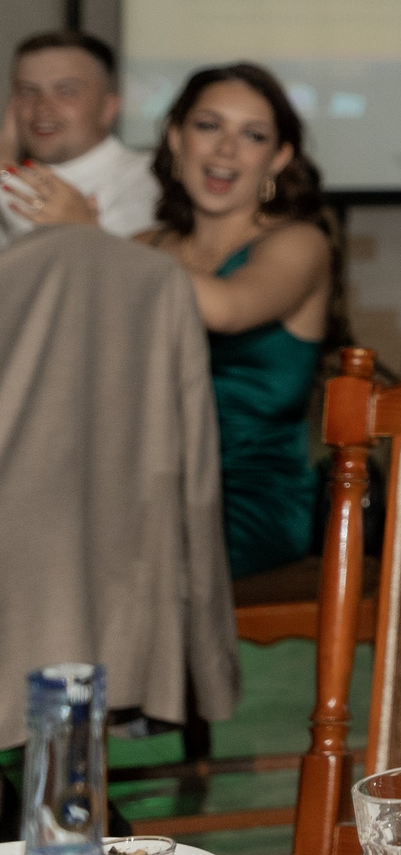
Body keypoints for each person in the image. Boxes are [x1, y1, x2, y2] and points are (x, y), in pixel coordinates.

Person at [138, 63, 345, 581]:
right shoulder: (145, 248)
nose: (226, 150)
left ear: (278, 159)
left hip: (249, 499)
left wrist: (91, 239)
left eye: (252, 136)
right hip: (142, 483)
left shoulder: (299, 244)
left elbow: (227, 309)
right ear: (175, 139)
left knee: (118, 558)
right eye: (208, 126)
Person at [0, 31, 159, 243]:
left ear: (109, 108)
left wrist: (4, 168)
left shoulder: (148, 179)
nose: (42, 108)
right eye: (28, 91)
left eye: (66, 91)